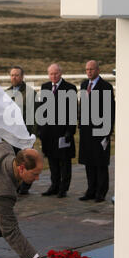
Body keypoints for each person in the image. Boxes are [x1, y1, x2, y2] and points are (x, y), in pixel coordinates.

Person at [79, 60, 115, 203]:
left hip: (100, 130)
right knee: (89, 162)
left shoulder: (105, 87)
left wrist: (107, 132)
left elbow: (109, 111)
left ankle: (101, 192)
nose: (89, 72)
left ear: (98, 70)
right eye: (87, 69)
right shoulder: (84, 85)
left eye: (92, 69)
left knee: (100, 163)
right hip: (86, 131)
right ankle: (90, 190)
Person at [39, 63, 77, 198]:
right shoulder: (45, 87)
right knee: (52, 161)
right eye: (51, 74)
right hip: (49, 133)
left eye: (56, 73)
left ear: (60, 73)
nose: (53, 76)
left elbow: (72, 113)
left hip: (63, 132)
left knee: (65, 162)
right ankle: (54, 185)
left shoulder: (70, 88)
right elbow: (42, 110)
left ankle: (63, 188)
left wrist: (69, 132)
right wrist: (40, 130)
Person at [6, 66, 39, 195]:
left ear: (22, 77)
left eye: (17, 75)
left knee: (26, 162)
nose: (14, 77)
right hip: (10, 136)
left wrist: (33, 135)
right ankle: (15, 185)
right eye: (12, 75)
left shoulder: (30, 93)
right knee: (13, 162)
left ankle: (25, 186)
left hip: (24, 135)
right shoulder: (6, 93)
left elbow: (36, 116)